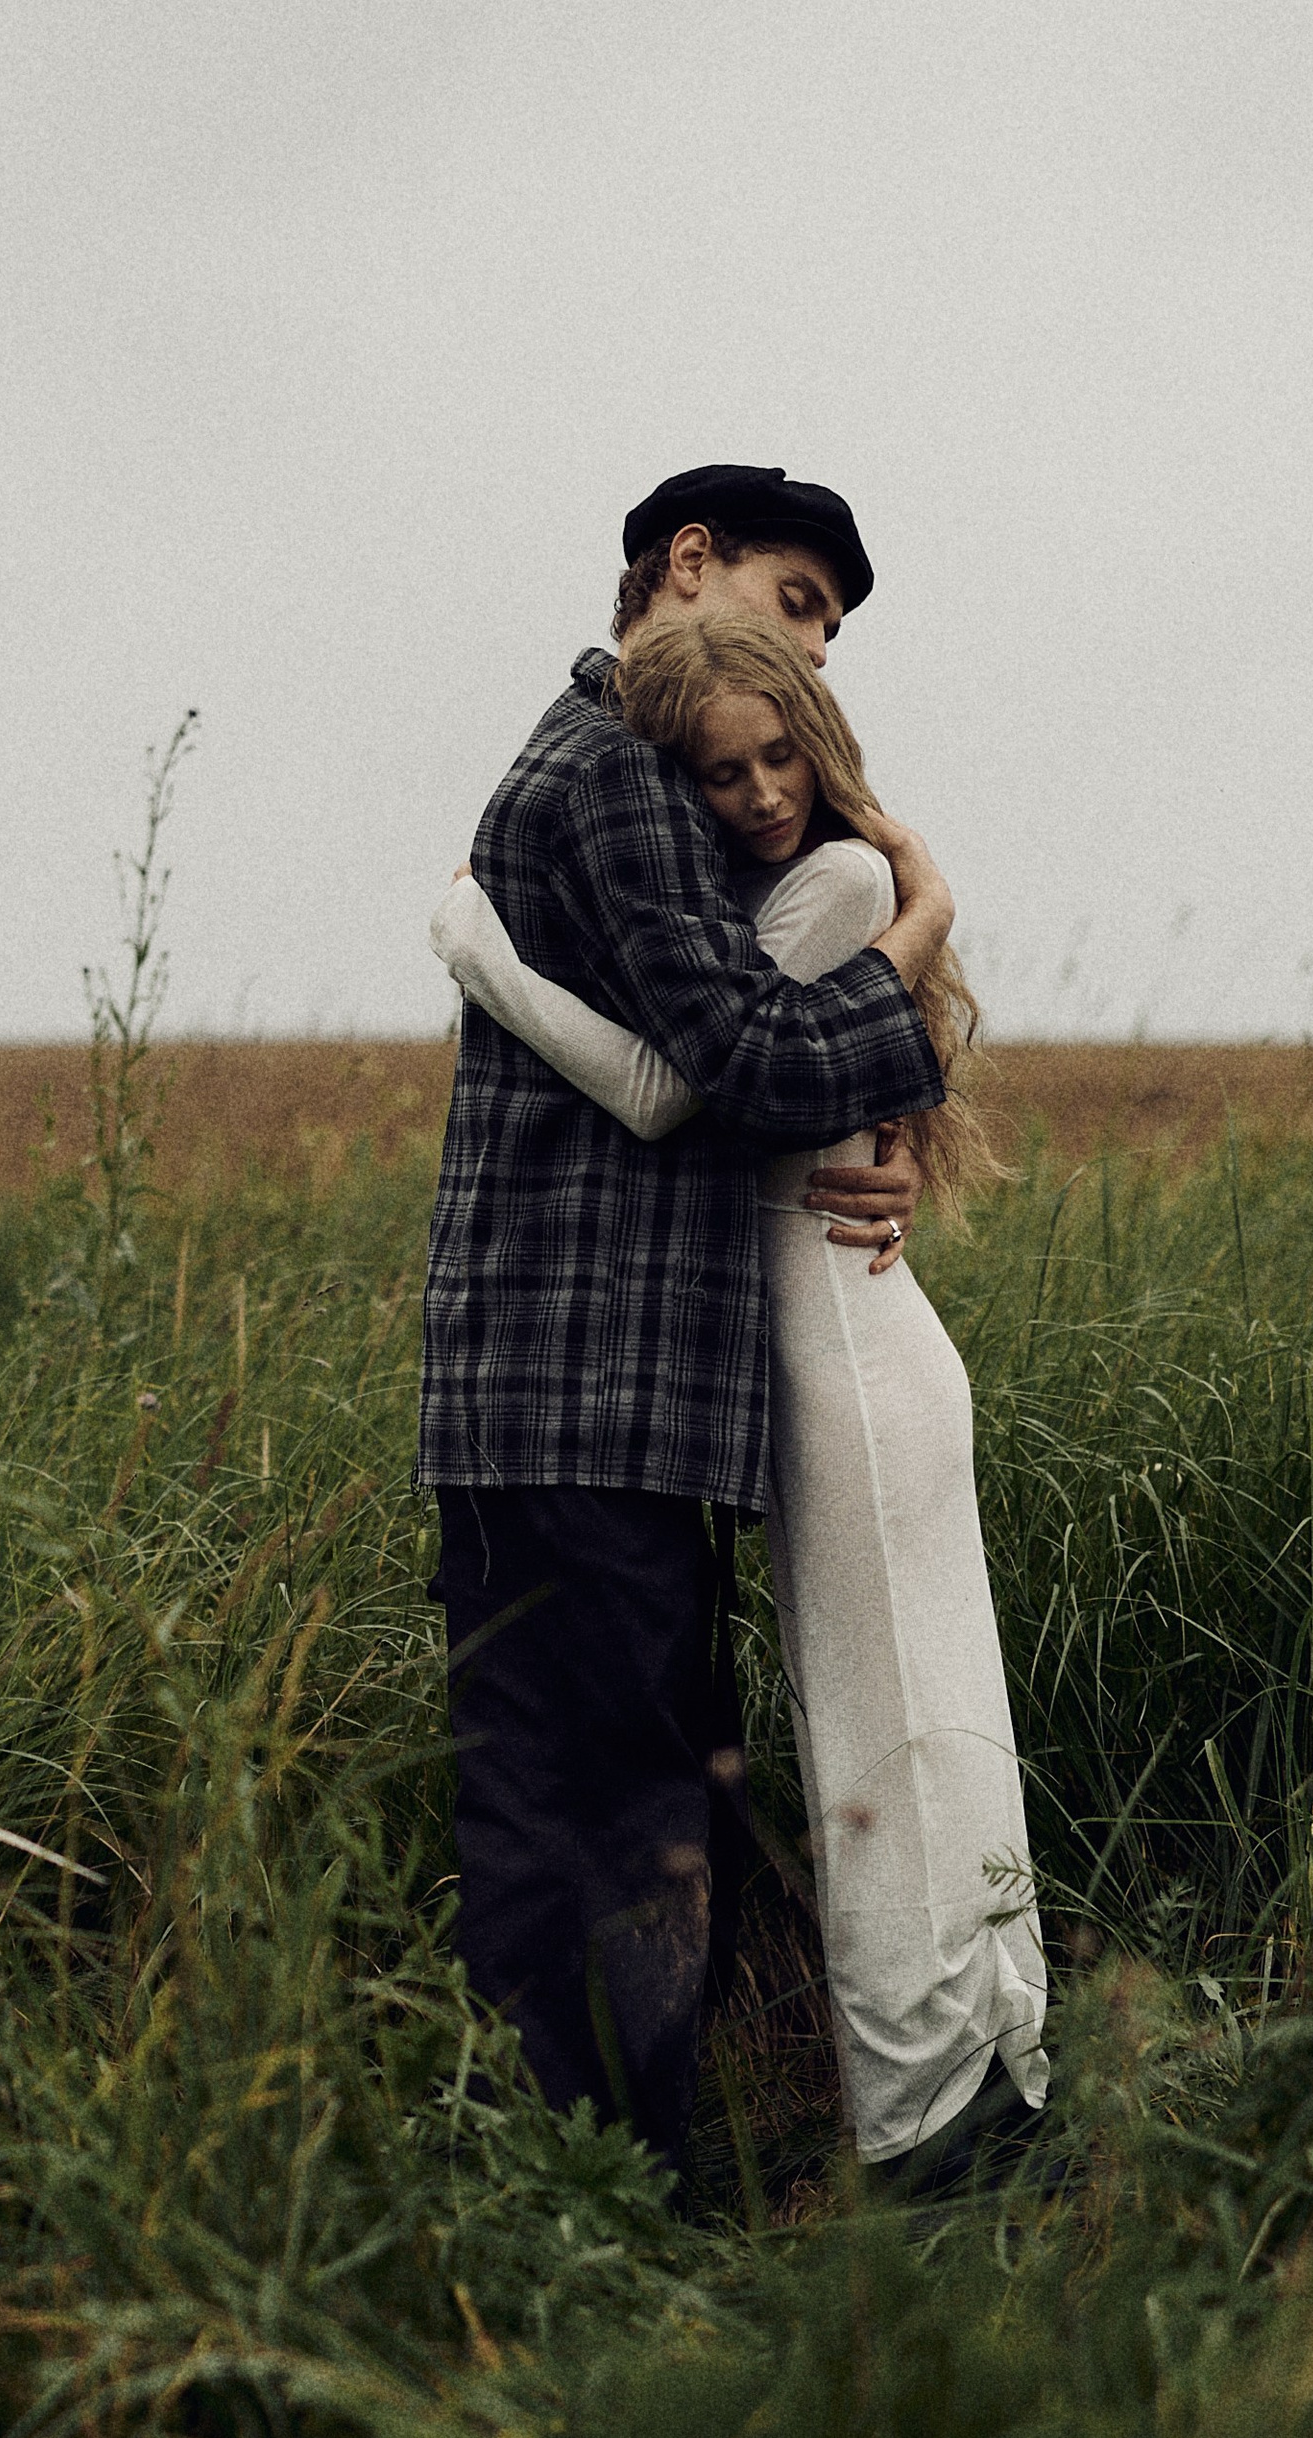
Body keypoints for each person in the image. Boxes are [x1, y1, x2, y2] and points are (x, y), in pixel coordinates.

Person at [433, 610, 1048, 2179]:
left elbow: (676, 1083)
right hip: (822, 1348)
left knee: (894, 1722)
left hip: (849, 1356)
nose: (765, 795)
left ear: (822, 745)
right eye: (725, 773)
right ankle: (977, 2073)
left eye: (786, 756)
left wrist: (483, 953)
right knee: (896, 1712)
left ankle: (942, 2114)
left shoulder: (839, 889)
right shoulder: (772, 894)